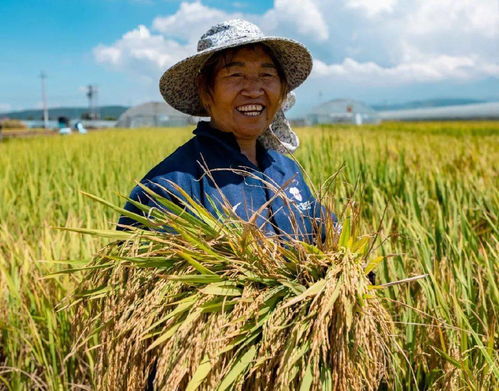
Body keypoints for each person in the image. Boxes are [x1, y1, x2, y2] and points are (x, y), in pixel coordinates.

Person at [119, 19, 335, 242]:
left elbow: (331, 243)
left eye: (266, 75)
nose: (253, 90)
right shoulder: (170, 188)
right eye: (235, 75)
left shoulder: (286, 170)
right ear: (205, 90)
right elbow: (140, 271)